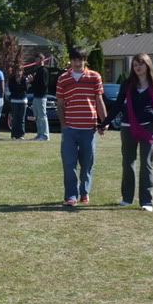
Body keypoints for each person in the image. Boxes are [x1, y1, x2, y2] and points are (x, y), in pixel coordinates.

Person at [101, 53, 153, 212]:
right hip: (128, 127)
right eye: (135, 65)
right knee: (128, 163)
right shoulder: (127, 84)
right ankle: (127, 198)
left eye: (141, 64)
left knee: (146, 164)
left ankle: (147, 201)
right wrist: (105, 123)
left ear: (147, 65)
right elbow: (117, 105)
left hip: (148, 128)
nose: (138, 67)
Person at [56, 46, 106, 207]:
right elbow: (60, 104)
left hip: (89, 129)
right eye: (74, 60)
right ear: (70, 61)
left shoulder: (95, 77)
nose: (77, 63)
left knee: (87, 164)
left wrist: (104, 122)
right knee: (69, 164)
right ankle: (71, 196)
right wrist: (64, 125)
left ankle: (84, 192)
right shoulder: (63, 79)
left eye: (80, 60)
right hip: (70, 129)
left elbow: (99, 101)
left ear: (85, 60)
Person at [30, 61, 50, 141]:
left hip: (41, 96)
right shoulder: (37, 70)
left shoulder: (44, 70)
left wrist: (33, 81)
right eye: (36, 60)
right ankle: (39, 134)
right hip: (36, 96)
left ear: (42, 60)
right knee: (37, 116)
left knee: (42, 116)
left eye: (38, 60)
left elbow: (44, 84)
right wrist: (32, 81)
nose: (36, 62)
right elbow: (36, 84)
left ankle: (45, 135)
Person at [8, 65, 28, 140]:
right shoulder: (12, 79)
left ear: (22, 72)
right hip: (14, 100)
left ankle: (21, 135)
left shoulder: (24, 79)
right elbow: (11, 89)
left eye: (20, 71)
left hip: (23, 101)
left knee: (21, 119)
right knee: (15, 119)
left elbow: (25, 89)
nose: (18, 73)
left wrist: (19, 85)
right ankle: (14, 135)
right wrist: (19, 86)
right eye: (17, 71)